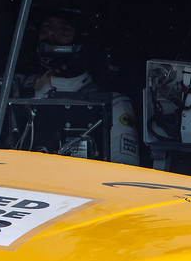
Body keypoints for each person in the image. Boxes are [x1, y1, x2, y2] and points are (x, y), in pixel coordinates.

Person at [19, 11, 138, 163]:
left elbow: (124, 173)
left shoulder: (113, 105)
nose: (50, 33)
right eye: (46, 27)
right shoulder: (18, 90)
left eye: (63, 30)